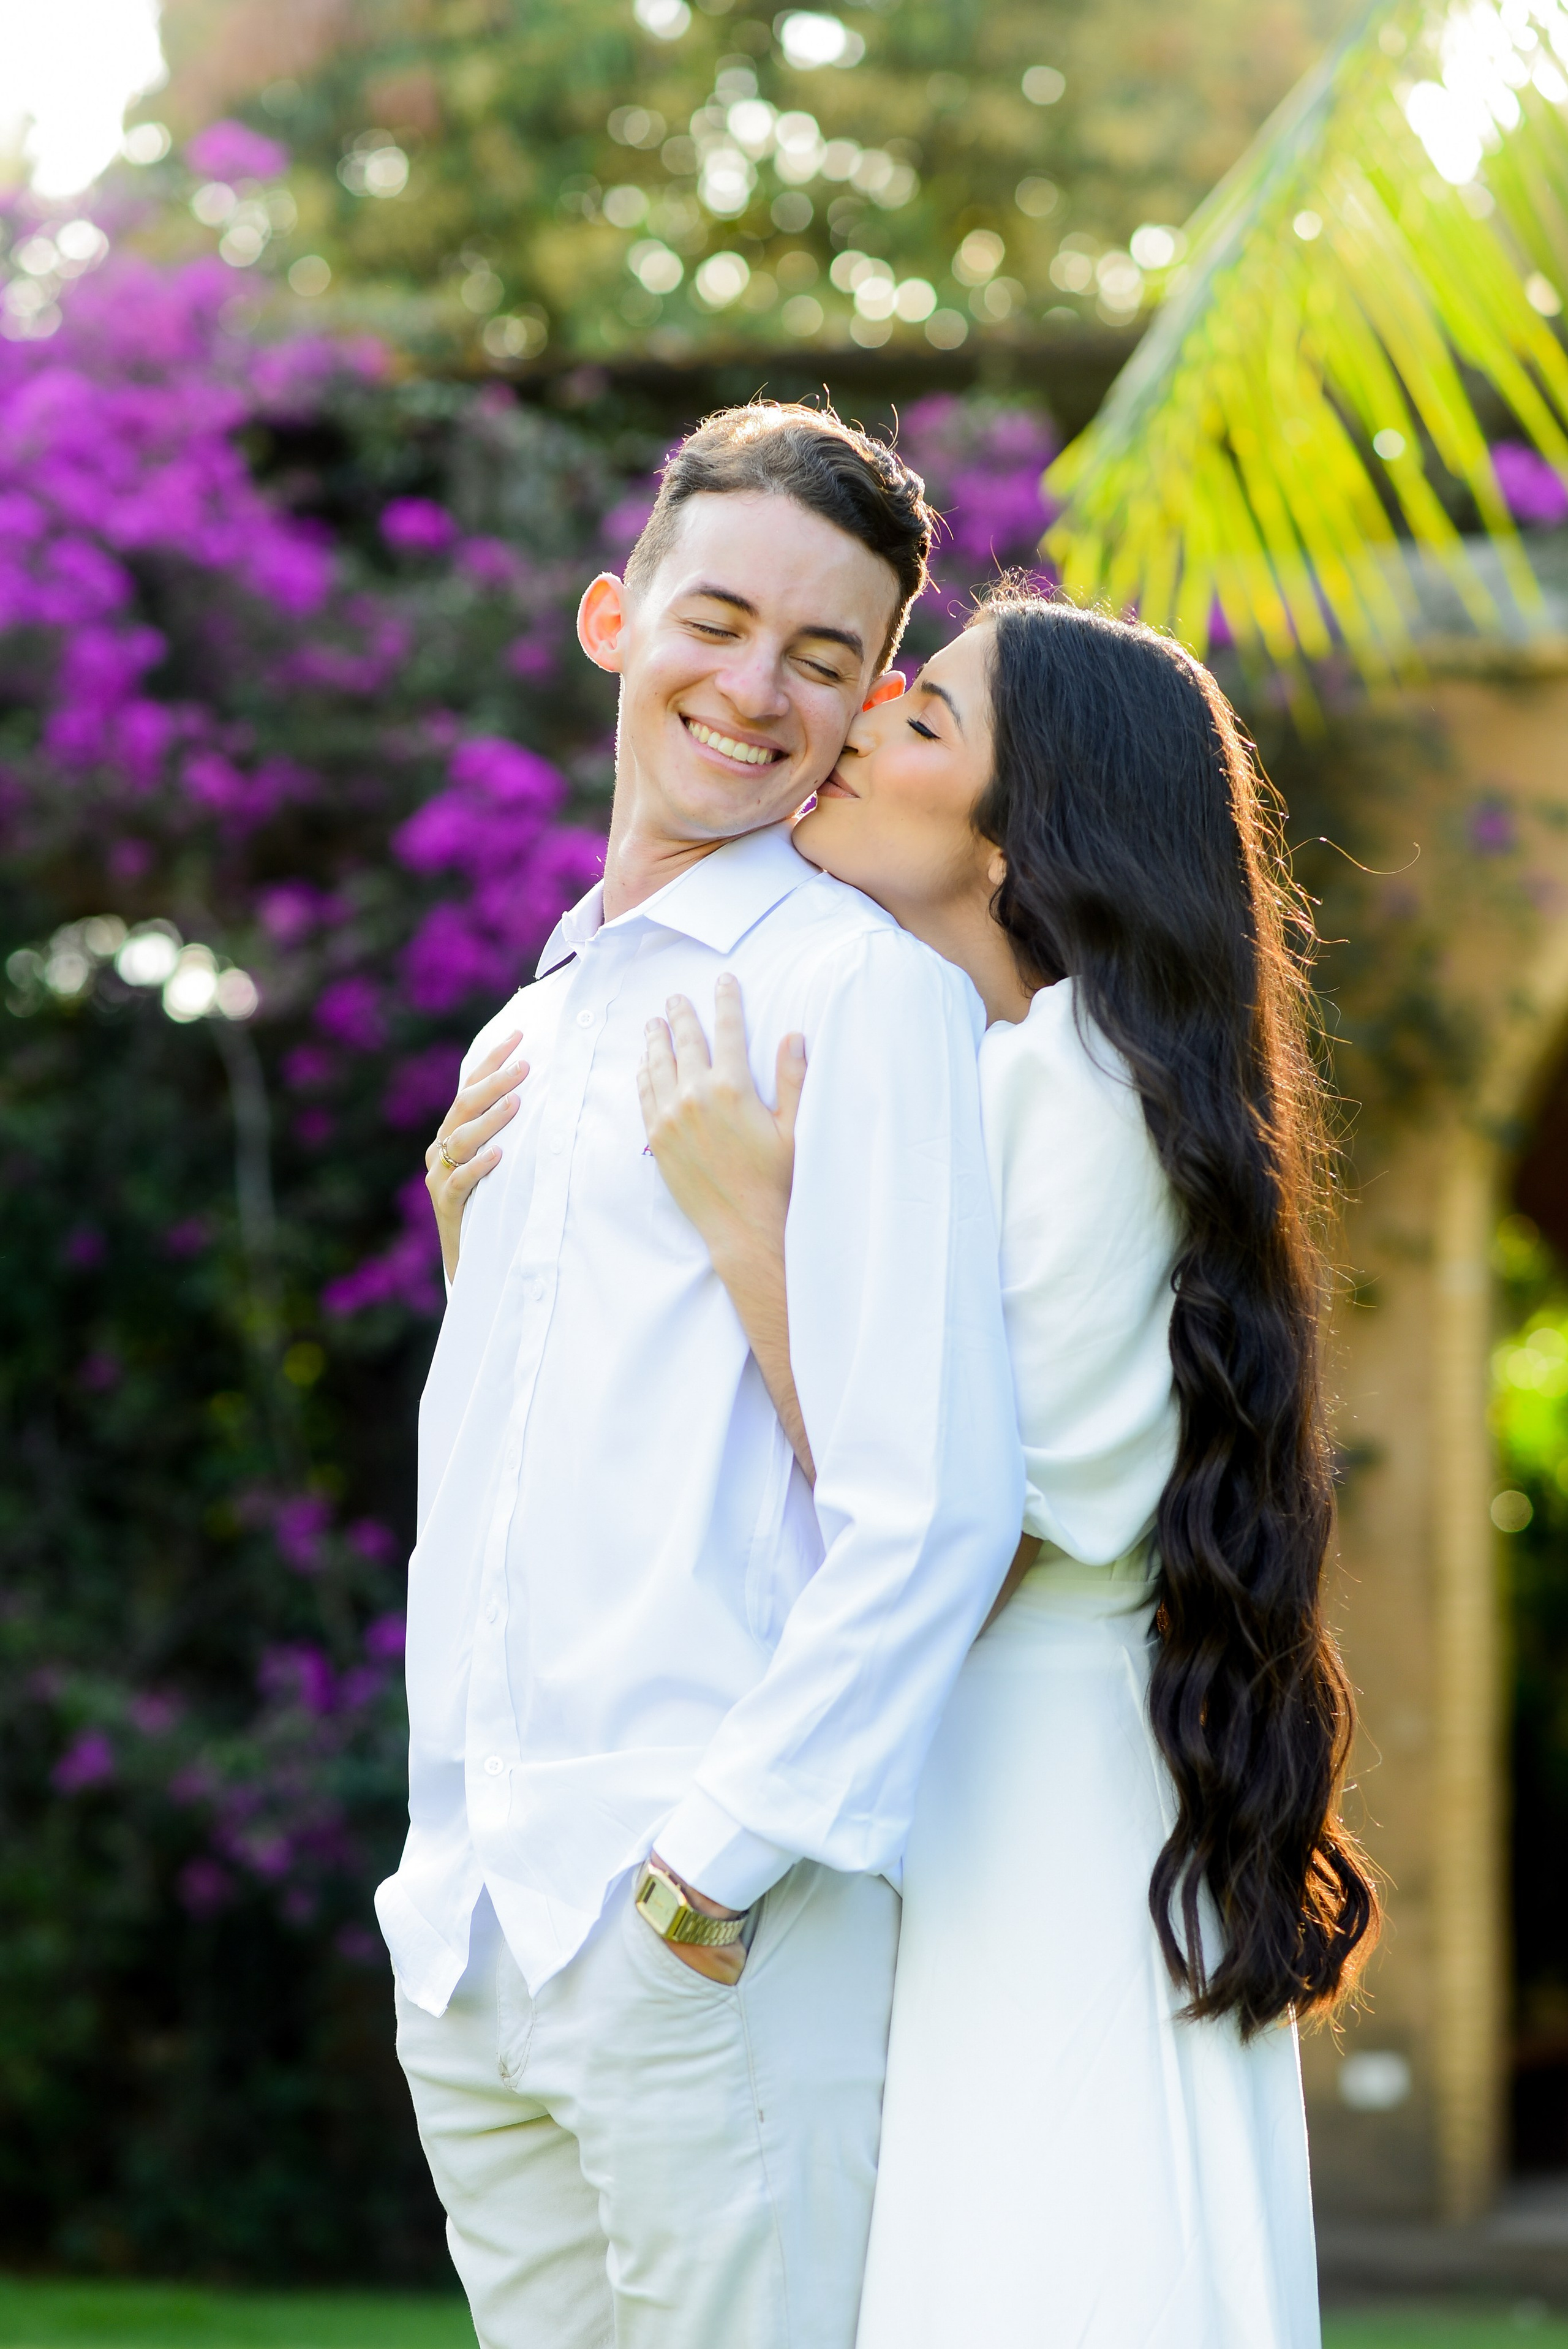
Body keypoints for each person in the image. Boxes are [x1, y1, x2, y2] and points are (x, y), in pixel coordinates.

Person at [638, 586, 1381, 2348]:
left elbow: (970, 1509)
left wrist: (748, 1230)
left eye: (923, 718)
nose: (860, 720)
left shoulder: (1075, 1085)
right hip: (1018, 1765)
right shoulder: (1034, 1070)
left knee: (1037, 2260)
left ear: (1019, 831)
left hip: (1035, 1789)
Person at [377, 404, 1025, 2349]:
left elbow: (938, 1499)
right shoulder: (529, 1021)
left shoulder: (862, 995)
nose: (754, 690)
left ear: (869, 700)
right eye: (717, 621)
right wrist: (435, 1874)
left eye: (821, 658)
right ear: (615, 619)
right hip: (478, 1929)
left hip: (701, 1935)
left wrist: (708, 1876)